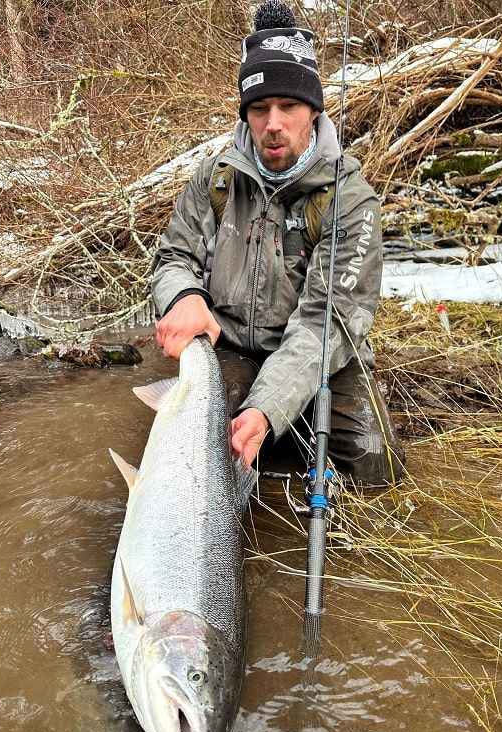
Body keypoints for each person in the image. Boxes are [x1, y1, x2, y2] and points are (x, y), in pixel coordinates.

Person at [151, 0, 404, 485]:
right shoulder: (215, 178)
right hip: (229, 348)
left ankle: (279, 434)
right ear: (245, 113)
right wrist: (184, 296)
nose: (273, 123)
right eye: (260, 108)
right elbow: (174, 257)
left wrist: (268, 408)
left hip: (322, 353)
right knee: (193, 455)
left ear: (313, 111)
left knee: (375, 467)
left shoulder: (350, 200)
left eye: (289, 106)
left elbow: (326, 325)